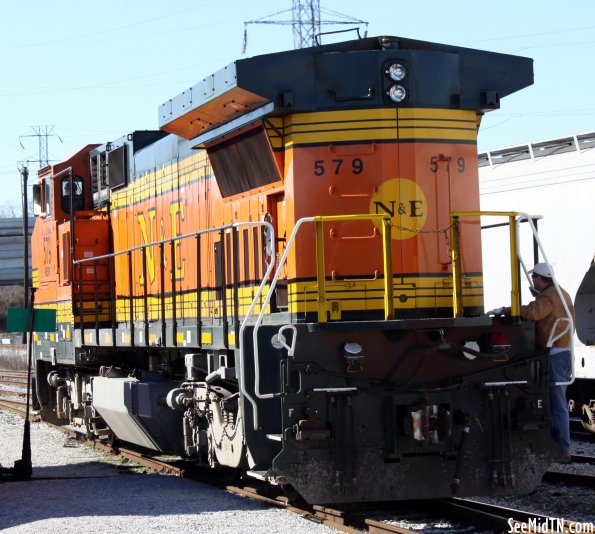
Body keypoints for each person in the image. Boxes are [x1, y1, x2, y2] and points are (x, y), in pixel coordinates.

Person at [519, 262, 576, 463]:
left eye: (534, 277)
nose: (532, 280)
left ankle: (562, 447)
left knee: (557, 402)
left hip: (554, 354)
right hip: (563, 352)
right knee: (556, 400)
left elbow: (532, 313)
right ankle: (559, 446)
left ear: (539, 277)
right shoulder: (562, 293)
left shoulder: (548, 297)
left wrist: (511, 309)